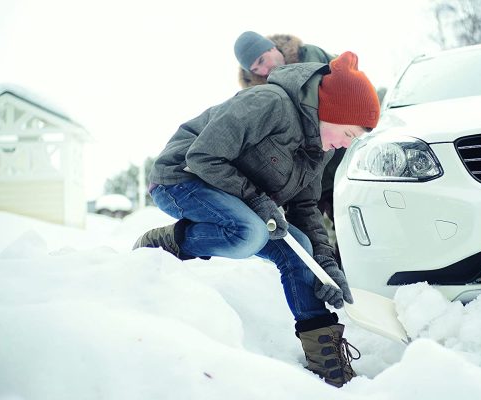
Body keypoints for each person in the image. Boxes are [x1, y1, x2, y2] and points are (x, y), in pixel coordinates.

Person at [132, 51, 380, 387]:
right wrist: (256, 200)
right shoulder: (269, 103)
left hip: (236, 197)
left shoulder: (321, 149)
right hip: (182, 179)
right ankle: (171, 239)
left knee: (300, 247)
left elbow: (305, 208)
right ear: (332, 111)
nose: (346, 144)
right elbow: (203, 157)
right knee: (247, 232)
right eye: (349, 133)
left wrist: (324, 264)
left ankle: (325, 357)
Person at [234, 31, 344, 262]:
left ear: (274, 48)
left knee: (345, 229)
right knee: (306, 241)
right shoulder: (263, 93)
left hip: (337, 168)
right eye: (255, 69)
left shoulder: (309, 56)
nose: (263, 71)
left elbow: (329, 102)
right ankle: (320, 284)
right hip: (300, 177)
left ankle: (352, 283)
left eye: (263, 60)